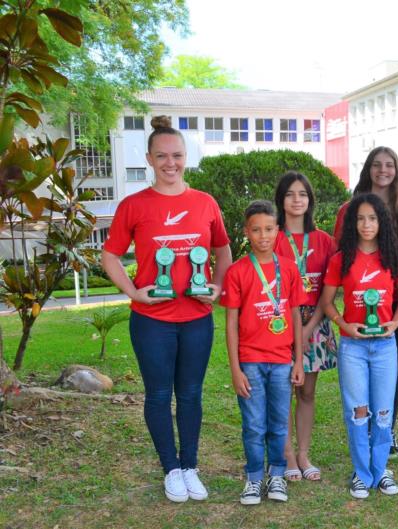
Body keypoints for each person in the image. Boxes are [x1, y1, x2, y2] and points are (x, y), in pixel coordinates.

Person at [101, 116, 232, 503]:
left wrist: (218, 287)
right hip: (152, 322)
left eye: (176, 155)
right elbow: (109, 256)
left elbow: (223, 250)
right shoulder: (134, 205)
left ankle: (190, 466)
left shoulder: (205, 202)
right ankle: (170, 469)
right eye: (162, 156)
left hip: (196, 319)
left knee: (191, 394)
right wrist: (134, 292)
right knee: (159, 396)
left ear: (185, 157)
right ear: (149, 159)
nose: (170, 163)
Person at [321, 193, 398, 499]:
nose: (366, 224)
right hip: (353, 348)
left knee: (383, 412)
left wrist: (395, 324)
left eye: (372, 218)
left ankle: (381, 468)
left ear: (382, 221)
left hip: (384, 345)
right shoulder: (341, 259)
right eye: (360, 218)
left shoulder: (393, 255)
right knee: (358, 412)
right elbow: (327, 301)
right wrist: (344, 325)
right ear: (352, 223)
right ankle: (361, 473)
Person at [334, 146, 398, 458]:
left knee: (390, 365)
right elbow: (339, 253)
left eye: (389, 165)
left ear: (396, 170)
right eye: (377, 165)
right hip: (360, 301)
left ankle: (387, 429)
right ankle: (363, 426)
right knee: (359, 363)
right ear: (368, 169)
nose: (383, 170)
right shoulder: (349, 209)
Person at [220, 200, 305, 504]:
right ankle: (254, 478)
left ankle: (277, 476)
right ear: (247, 233)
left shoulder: (289, 268)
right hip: (251, 361)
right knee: (254, 424)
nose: (263, 235)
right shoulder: (238, 271)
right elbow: (230, 323)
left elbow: (295, 314)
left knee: (279, 422)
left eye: (269, 229)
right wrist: (235, 369)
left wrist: (298, 360)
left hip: (283, 361)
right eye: (256, 230)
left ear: (278, 230)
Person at [273, 171, 337, 482]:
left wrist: (310, 326)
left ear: (310, 200)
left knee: (307, 392)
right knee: (284, 389)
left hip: (316, 321)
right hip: (278, 321)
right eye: (290, 194)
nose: (296, 200)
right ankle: (286, 455)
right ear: (281, 200)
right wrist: (290, 328)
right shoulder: (272, 237)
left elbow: (331, 289)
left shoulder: (325, 240)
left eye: (302, 194)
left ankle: (303, 453)